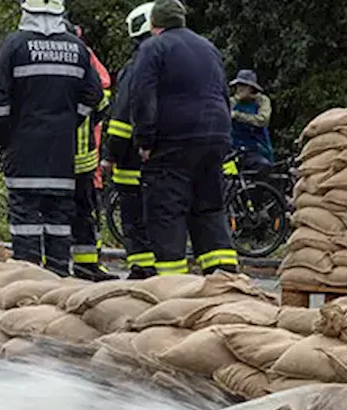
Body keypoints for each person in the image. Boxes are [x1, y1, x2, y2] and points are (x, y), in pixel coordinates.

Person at [0, 0, 103, 274]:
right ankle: (58, 277)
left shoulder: (15, 45)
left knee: (24, 216)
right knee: (60, 218)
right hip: (62, 150)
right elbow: (94, 93)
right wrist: (71, 120)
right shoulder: (77, 47)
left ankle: (28, 278)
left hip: (23, 148)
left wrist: (3, 134)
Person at [131, 0, 238, 276]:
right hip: (216, 136)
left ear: (154, 24)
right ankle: (223, 278)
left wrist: (145, 141)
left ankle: (172, 286)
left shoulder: (153, 47)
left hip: (175, 140)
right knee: (209, 208)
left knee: (166, 210)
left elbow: (143, 96)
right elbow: (223, 93)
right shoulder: (207, 47)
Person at [103, 3, 155, 279]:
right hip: (166, 158)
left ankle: (141, 269)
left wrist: (111, 154)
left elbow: (122, 117)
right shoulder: (175, 61)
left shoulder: (135, 68)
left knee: (134, 217)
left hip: (132, 159)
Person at [69, 23, 114, 281]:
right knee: (83, 211)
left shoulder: (82, 55)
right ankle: (86, 266)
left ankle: (51, 265)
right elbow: (102, 99)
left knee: (53, 210)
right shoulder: (85, 56)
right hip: (83, 153)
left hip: (53, 152)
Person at [229, 69, 273, 175]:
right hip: (234, 151)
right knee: (226, 176)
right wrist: (236, 101)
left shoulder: (262, 101)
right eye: (238, 85)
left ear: (251, 88)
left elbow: (263, 120)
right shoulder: (232, 102)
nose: (240, 89)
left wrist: (238, 116)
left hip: (257, 150)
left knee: (263, 168)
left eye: (244, 86)